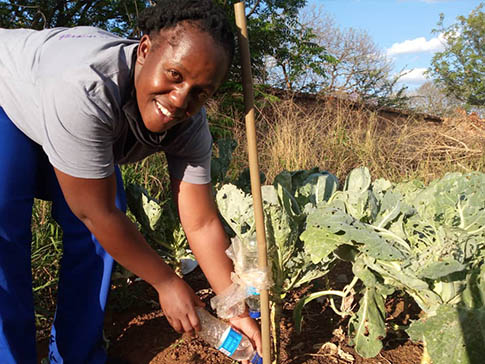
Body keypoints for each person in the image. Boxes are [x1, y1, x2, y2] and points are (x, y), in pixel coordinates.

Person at [0, 0, 261, 363]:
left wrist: (234, 308)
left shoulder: (190, 125)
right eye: (174, 75)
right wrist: (167, 282)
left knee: (103, 237)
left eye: (200, 92)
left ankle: (78, 356)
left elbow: (200, 221)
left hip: (62, 117)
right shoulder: (85, 86)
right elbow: (96, 212)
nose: (180, 100)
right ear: (144, 50)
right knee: (5, 227)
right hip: (9, 95)